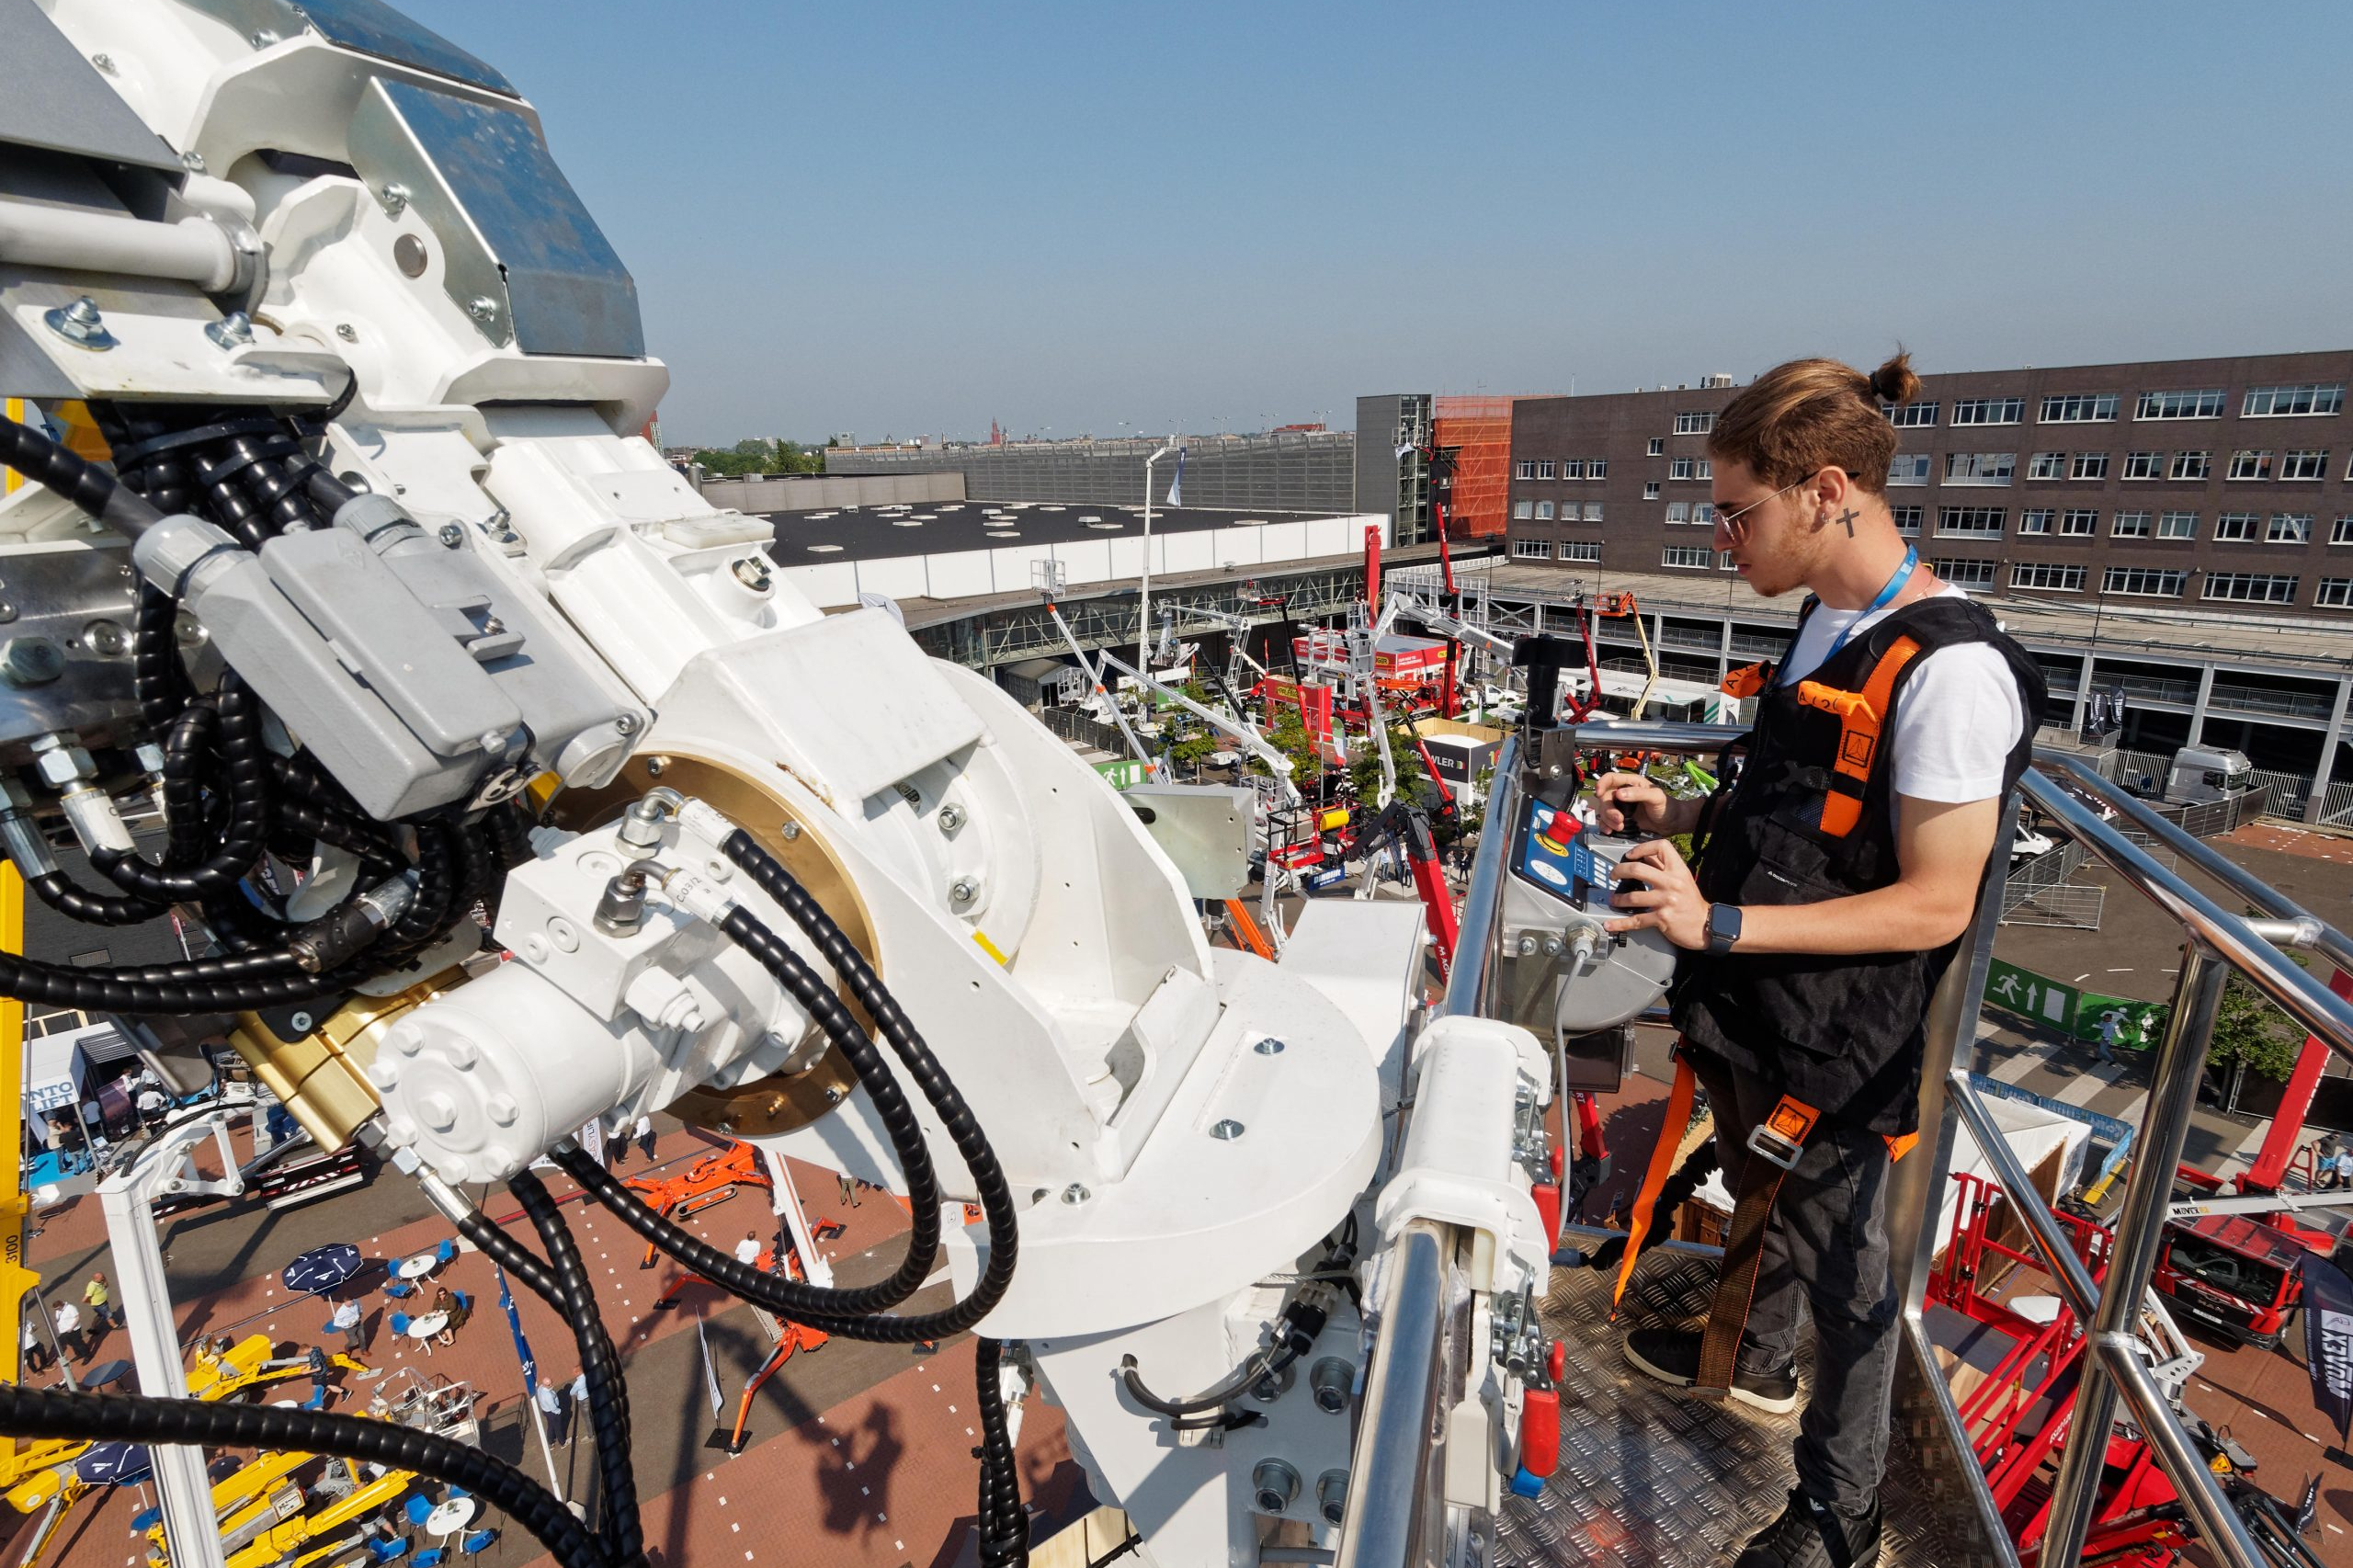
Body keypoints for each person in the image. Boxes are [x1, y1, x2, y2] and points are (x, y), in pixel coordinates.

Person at [1597, 352, 2043, 1568]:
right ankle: (1758, 1352)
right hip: (1764, 1005)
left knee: (1851, 1272)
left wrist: (1719, 924)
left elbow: (1933, 901)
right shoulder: (1830, 625)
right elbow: (1806, 805)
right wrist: (1681, 822)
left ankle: (1839, 1513)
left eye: (1737, 511)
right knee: (1774, 1207)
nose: (1722, 537)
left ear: (1825, 490)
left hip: (1836, 1035)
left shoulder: (1950, 672)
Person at [536, 1378, 572, 1446]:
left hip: (546, 1411)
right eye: (549, 1385)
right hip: (552, 1413)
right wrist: (559, 1411)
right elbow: (553, 1408)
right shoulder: (548, 1396)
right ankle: (563, 1442)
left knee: (551, 1426)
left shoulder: (540, 1388)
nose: (551, 1385)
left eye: (551, 1383)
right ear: (545, 1385)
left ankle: (550, 1441)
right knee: (558, 1428)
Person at [52, 1300, 85, 1364]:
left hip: (73, 1329)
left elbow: (77, 1317)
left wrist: (71, 1328)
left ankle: (87, 1355)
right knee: (72, 1344)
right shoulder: (58, 1310)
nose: (56, 1310)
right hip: (64, 1331)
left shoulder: (70, 1308)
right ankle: (79, 1354)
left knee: (79, 1343)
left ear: (60, 1305)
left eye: (57, 1308)